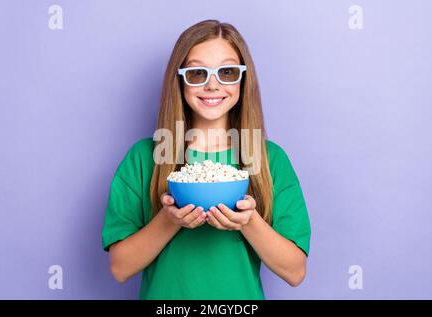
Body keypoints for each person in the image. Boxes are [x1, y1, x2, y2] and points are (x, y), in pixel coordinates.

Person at [101, 19, 311, 299]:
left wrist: (248, 221)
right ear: (180, 80)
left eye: (227, 72)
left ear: (242, 80)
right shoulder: (144, 158)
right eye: (198, 73)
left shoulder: (269, 159)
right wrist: (170, 219)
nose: (213, 85)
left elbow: (295, 272)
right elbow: (120, 268)